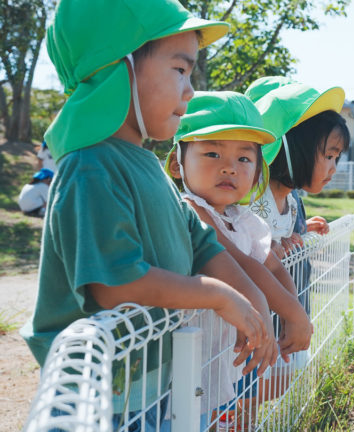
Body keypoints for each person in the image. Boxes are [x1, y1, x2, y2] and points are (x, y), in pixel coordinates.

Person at [20, 1, 277, 430]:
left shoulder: (140, 162)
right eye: (180, 70)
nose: (190, 90)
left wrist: (258, 302)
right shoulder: (92, 167)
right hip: (103, 399)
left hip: (150, 382)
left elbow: (201, 244)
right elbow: (113, 284)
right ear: (118, 69)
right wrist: (219, 295)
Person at [163, 91, 313, 419]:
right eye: (213, 153)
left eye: (244, 159)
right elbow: (240, 264)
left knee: (226, 416)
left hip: (224, 354)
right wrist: (291, 314)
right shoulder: (191, 211)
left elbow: (272, 266)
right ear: (177, 163)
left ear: (258, 171)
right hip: (189, 360)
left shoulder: (243, 219)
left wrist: (294, 309)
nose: (229, 168)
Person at [244, 77, 349, 263]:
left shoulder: (291, 202)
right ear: (294, 150)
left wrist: (298, 231)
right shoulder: (251, 194)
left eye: (337, 158)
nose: (333, 169)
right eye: (329, 156)